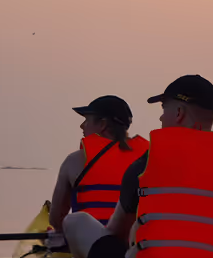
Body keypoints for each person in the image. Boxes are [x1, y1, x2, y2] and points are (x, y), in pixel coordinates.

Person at [62, 75, 213, 258]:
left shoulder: (147, 162)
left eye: (163, 109)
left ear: (178, 113)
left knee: (75, 221)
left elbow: (118, 234)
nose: (160, 118)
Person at [48, 95, 149, 235]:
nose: (82, 126)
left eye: (86, 120)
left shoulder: (75, 160)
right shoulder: (149, 158)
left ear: (102, 125)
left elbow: (56, 220)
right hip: (136, 246)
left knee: (55, 235)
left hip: (93, 249)